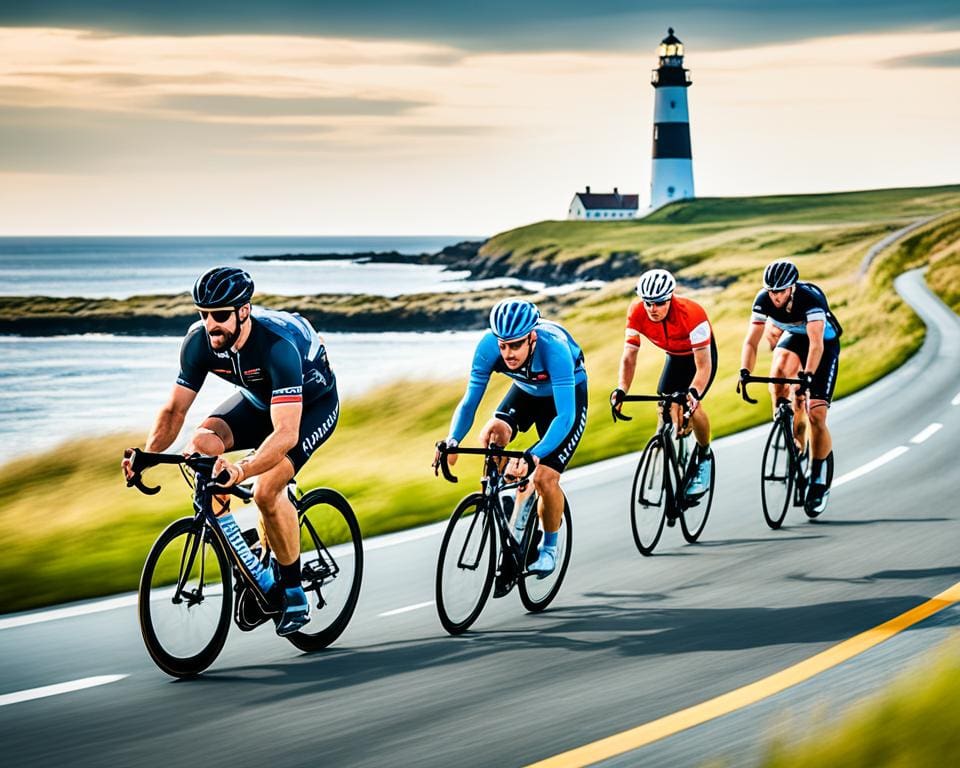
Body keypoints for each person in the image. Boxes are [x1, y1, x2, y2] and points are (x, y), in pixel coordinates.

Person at [121, 266, 340, 635]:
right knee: (201, 448)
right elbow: (175, 410)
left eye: (219, 315)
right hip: (258, 404)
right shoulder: (199, 342)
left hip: (310, 408)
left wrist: (242, 470)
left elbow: (286, 433)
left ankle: (293, 592)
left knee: (265, 490)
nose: (210, 324)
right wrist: (147, 456)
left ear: (243, 311)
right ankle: (252, 565)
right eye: (203, 314)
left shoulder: (277, 346)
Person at [435, 298, 587, 583]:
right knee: (492, 433)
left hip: (564, 399)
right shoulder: (488, 347)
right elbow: (469, 403)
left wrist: (534, 455)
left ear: (532, 337)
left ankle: (549, 548)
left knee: (544, 478)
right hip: (526, 392)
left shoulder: (554, 349)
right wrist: (452, 439)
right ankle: (500, 494)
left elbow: (566, 417)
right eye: (503, 345)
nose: (508, 354)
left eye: (515, 345)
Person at [739, 259, 842, 516]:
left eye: (780, 291)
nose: (775, 297)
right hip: (795, 338)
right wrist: (745, 372)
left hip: (823, 346)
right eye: (771, 291)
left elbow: (816, 344)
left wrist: (807, 375)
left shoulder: (810, 299)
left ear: (792, 287)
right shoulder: (763, 299)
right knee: (778, 373)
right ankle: (784, 420)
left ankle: (818, 476)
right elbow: (751, 342)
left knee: (816, 412)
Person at [610, 268, 717, 501]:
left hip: (699, 358)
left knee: (692, 405)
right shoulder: (636, 312)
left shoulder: (692, 314)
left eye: (659, 303)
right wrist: (621, 390)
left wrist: (694, 393)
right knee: (665, 407)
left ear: (670, 297)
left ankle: (704, 455)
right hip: (675, 358)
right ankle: (670, 444)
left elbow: (703, 367)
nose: (652, 309)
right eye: (648, 303)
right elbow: (629, 356)